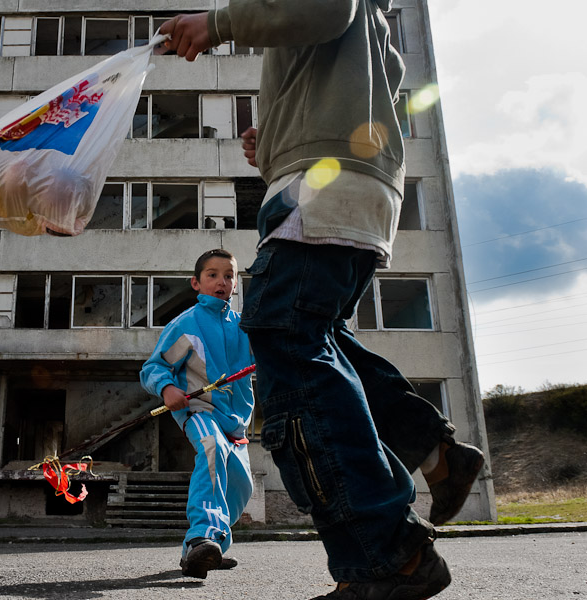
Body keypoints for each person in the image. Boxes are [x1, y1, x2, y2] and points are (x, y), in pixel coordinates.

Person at [159, 3, 485, 599]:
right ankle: (432, 452)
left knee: (288, 343)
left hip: (321, 188)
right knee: (316, 337)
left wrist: (219, 22)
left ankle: (388, 556)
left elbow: (323, 6)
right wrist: (278, 137)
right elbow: (343, 70)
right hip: (338, 182)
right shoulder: (373, 23)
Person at [140, 248, 254, 579]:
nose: (222, 281)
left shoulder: (245, 327)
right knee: (211, 449)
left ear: (235, 283)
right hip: (199, 409)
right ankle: (200, 538)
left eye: (229, 276)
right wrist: (166, 388)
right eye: (213, 275)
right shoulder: (186, 324)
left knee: (240, 486)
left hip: (237, 421)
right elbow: (154, 367)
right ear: (196, 282)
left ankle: (208, 546)